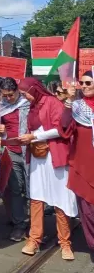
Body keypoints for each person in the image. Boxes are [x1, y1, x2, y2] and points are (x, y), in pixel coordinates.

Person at [18, 78, 77, 261]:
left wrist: (34, 136)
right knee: (36, 197)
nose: (25, 97)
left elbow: (62, 129)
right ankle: (34, 239)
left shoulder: (53, 102)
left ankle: (65, 242)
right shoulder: (32, 106)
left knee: (60, 198)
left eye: (25, 93)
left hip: (55, 156)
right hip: (38, 157)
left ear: (35, 89)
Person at [60, 72, 94, 259]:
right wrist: (69, 103)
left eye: (88, 82)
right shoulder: (77, 107)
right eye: (82, 82)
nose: (84, 85)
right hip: (84, 168)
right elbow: (64, 129)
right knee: (88, 214)